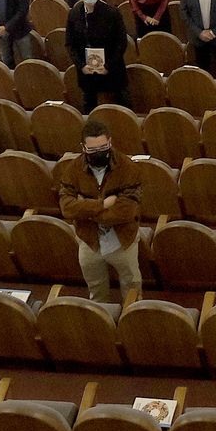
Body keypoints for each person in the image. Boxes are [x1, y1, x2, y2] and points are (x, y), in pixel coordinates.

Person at [55, 119, 144, 303]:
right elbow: (67, 207)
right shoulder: (73, 170)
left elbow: (126, 211)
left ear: (110, 142)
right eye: (93, 149)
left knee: (133, 290)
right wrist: (102, 205)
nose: (99, 153)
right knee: (96, 293)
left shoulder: (128, 168)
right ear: (83, 147)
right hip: (90, 241)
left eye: (103, 147)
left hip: (122, 240)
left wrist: (85, 209)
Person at [66, 0, 131, 111]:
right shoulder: (74, 14)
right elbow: (70, 44)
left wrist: (108, 65)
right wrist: (81, 66)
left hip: (112, 71)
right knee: (89, 108)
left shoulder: (112, 13)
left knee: (121, 109)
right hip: (87, 73)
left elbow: (121, 43)